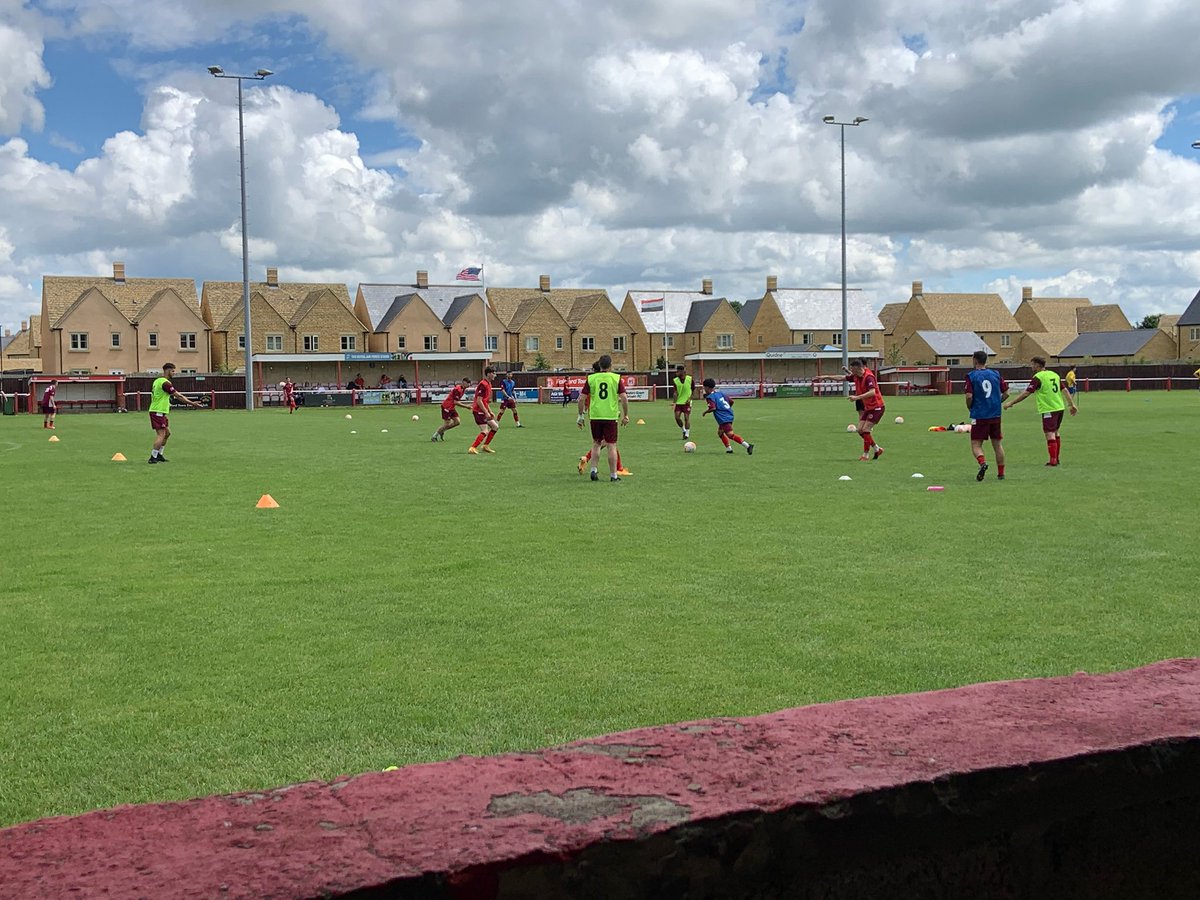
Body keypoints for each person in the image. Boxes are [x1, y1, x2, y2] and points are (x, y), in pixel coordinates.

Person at [1003, 356, 1078, 466]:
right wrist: (1072, 404)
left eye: (1032, 364)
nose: (1031, 366)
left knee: (1049, 433)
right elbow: (1065, 390)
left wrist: (1011, 403)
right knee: (1056, 431)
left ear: (1037, 365)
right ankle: (1056, 459)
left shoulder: (1038, 377)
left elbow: (1026, 393)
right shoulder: (1054, 374)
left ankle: (1053, 461)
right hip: (1059, 407)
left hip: (1049, 408)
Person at [578, 354, 629, 481]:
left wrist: (580, 415)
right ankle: (613, 475)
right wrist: (626, 415)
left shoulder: (591, 378)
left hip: (595, 415)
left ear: (599, 365)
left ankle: (594, 470)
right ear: (611, 365)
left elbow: (581, 399)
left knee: (596, 443)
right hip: (610, 416)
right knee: (611, 445)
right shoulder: (616, 378)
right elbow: (624, 398)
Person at [964, 349, 1009, 481]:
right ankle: (1001, 474)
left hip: (980, 414)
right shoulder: (995, 374)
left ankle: (982, 463)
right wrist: (996, 402)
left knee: (976, 444)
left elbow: (969, 396)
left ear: (975, 360)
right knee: (997, 444)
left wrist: (969, 406)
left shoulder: (971, 376)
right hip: (995, 414)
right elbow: (1006, 393)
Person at [148, 362, 203, 464]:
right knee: (161, 434)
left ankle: (159, 454)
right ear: (168, 371)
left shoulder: (157, 381)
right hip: (158, 411)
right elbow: (178, 396)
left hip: (160, 411)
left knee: (167, 434)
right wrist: (192, 403)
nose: (174, 373)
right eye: (173, 371)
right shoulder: (165, 383)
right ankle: (153, 457)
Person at [843, 358, 885, 460]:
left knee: (866, 430)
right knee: (860, 430)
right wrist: (825, 377)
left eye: (852, 369)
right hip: (869, 408)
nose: (851, 371)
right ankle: (877, 449)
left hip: (877, 407)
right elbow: (843, 378)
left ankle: (865, 455)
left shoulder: (869, 377)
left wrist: (857, 397)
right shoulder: (858, 376)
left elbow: (872, 392)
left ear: (857, 368)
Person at [701, 378, 754, 455]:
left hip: (723, 418)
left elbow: (713, 408)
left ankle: (748, 446)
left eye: (704, 387)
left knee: (730, 435)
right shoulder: (720, 394)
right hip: (728, 415)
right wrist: (727, 409)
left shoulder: (709, 397)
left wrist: (705, 412)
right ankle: (729, 449)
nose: (704, 389)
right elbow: (731, 401)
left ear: (707, 388)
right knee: (720, 433)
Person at [468, 366, 499, 454]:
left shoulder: (488, 384)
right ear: (488, 374)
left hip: (483, 410)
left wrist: (490, 411)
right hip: (478, 411)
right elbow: (479, 400)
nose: (495, 375)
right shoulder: (483, 384)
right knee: (485, 430)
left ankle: (485, 446)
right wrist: (486, 412)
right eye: (493, 373)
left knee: (495, 427)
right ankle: (472, 448)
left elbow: (485, 401)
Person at [433, 376, 472, 441]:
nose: (469, 385)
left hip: (451, 407)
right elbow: (456, 402)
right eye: (468, 383)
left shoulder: (463, 389)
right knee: (447, 423)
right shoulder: (458, 389)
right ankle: (435, 436)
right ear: (463, 382)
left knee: (457, 422)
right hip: (446, 407)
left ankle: (442, 430)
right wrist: (466, 406)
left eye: (469, 383)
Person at [672, 365, 694, 439]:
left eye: (678, 371)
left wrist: (690, 398)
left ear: (682, 371)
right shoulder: (675, 380)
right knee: (677, 417)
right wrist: (674, 402)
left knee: (686, 417)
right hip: (679, 402)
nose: (676, 373)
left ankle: (687, 434)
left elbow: (693, 390)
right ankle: (683, 430)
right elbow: (675, 392)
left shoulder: (690, 379)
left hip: (687, 402)